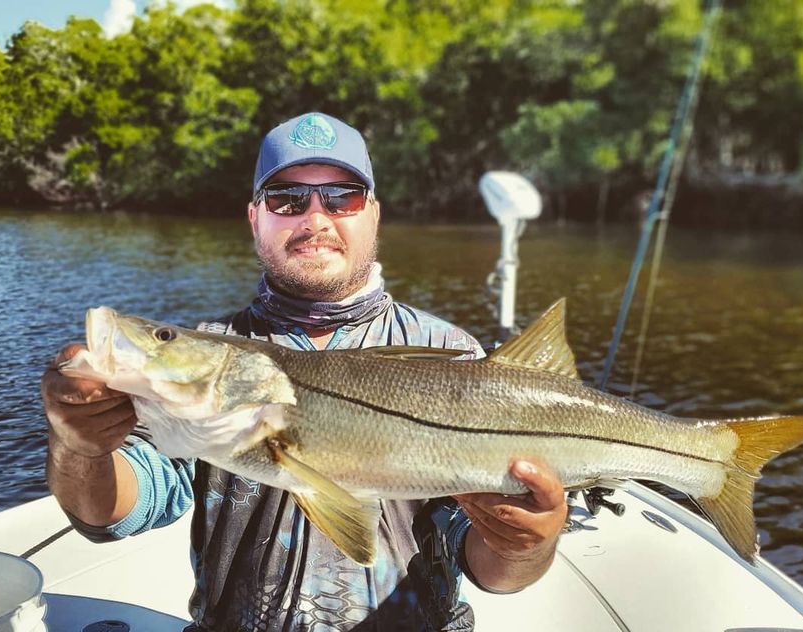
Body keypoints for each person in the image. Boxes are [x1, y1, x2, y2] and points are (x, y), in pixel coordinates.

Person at [42, 112, 567, 631]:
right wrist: (80, 448)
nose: (315, 219)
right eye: (287, 199)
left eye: (343, 196)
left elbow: (491, 569)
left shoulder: (450, 353)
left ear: (374, 214)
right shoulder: (208, 361)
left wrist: (526, 546)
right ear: (255, 218)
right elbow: (110, 516)